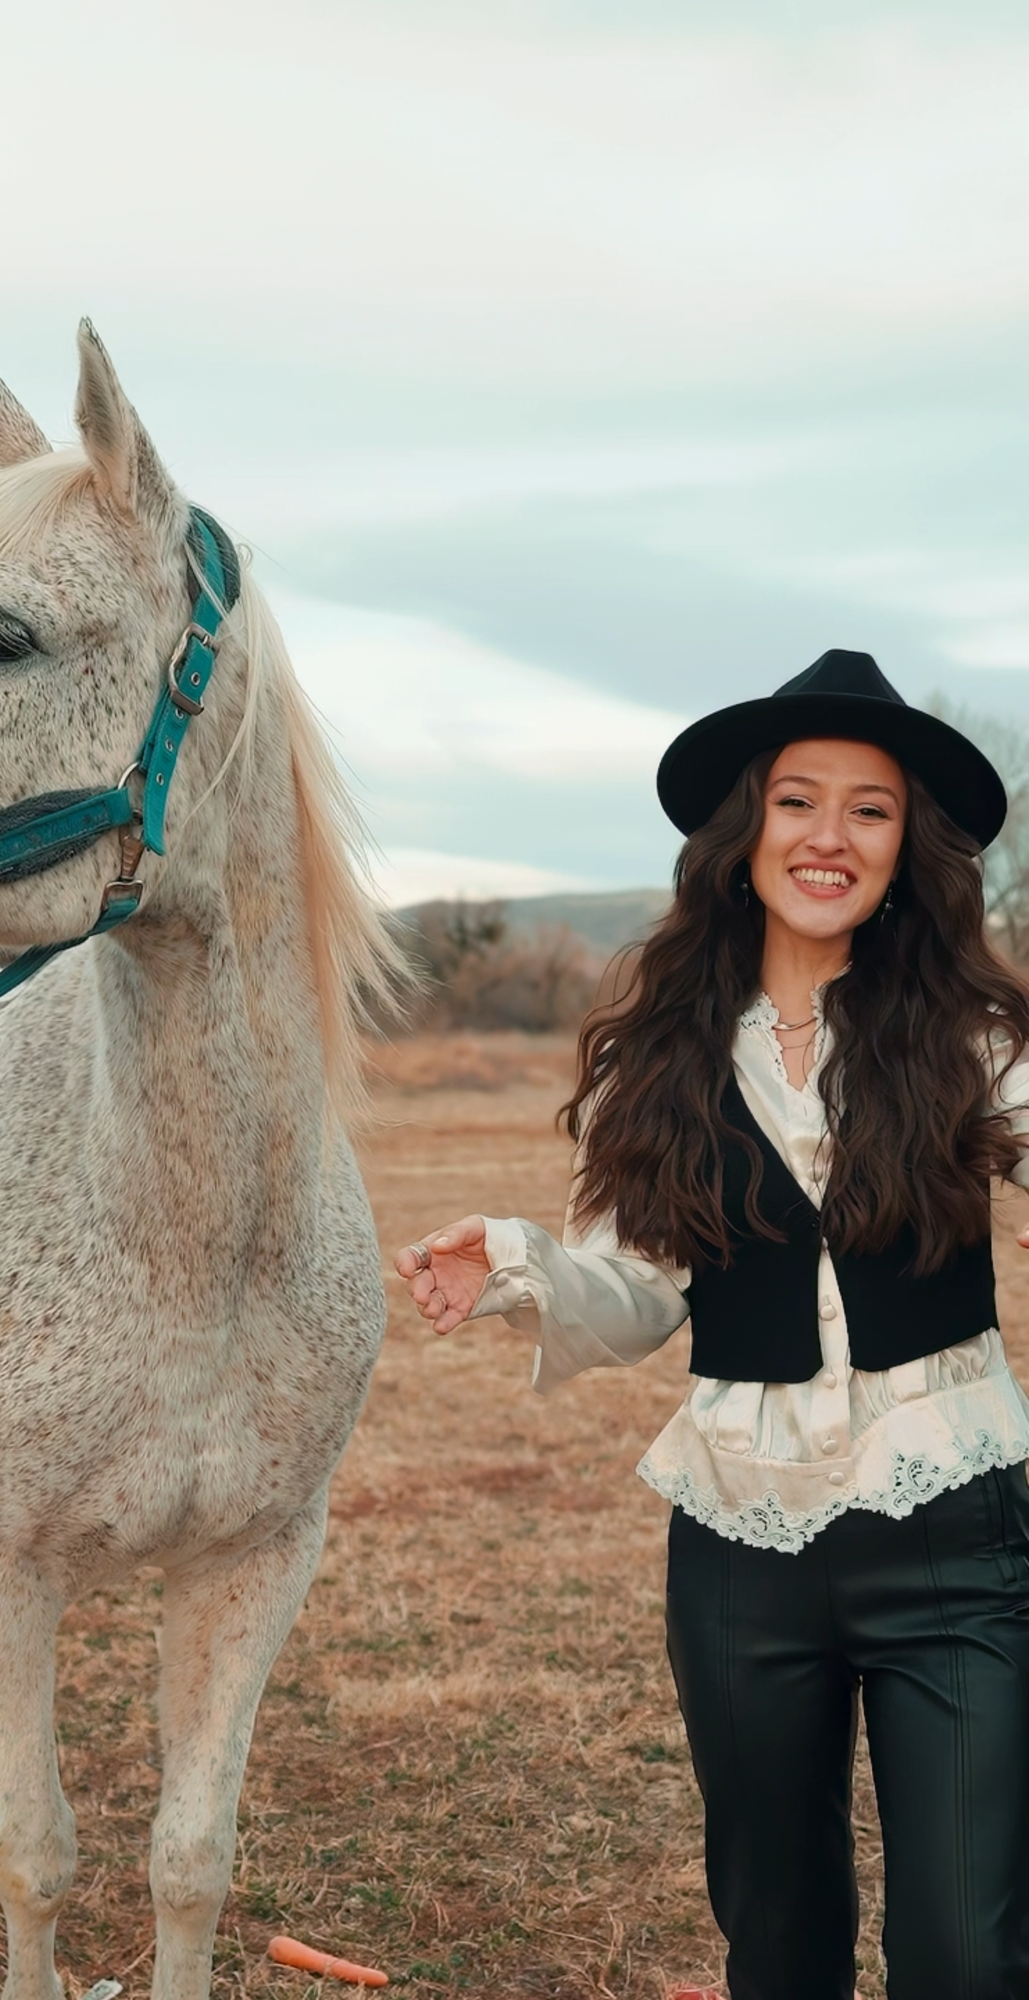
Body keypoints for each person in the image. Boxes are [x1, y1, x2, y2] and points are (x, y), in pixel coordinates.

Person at [397, 650, 1029, 2000]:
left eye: (871, 808)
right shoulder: (665, 1054)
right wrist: (515, 1261)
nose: (832, 836)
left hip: (955, 1542)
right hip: (741, 1550)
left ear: (907, 841)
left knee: (968, 1958)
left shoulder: (972, 1034)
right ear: (746, 832)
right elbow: (637, 1291)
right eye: (800, 800)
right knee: (779, 1945)